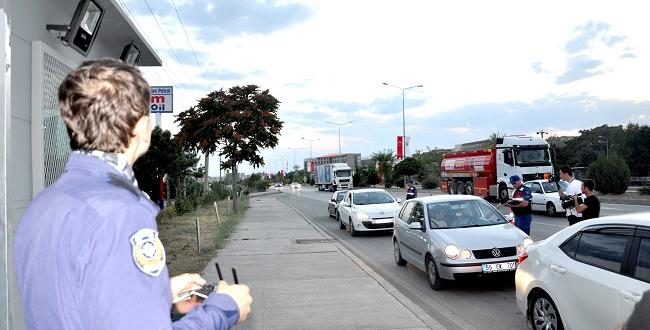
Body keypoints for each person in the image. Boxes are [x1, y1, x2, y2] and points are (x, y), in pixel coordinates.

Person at [13, 59, 252, 329]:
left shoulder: (45, 203)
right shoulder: (121, 212)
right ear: (141, 127)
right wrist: (224, 309)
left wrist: (158, 293)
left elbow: (74, 300)